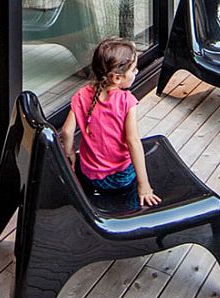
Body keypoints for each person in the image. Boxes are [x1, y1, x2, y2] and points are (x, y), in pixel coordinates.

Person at [61, 37, 161, 209]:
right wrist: (143, 185)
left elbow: (67, 132)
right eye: (134, 69)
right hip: (118, 179)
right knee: (143, 165)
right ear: (116, 78)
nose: (136, 72)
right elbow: (133, 142)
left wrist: (70, 154)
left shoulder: (82, 94)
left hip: (88, 174)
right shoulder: (127, 101)